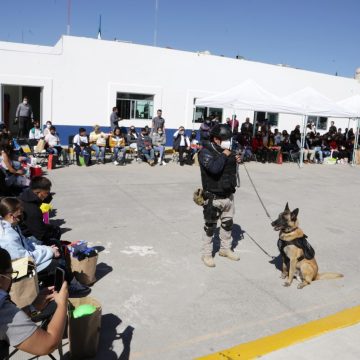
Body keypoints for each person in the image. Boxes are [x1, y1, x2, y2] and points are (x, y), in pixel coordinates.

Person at [0, 247, 68, 357]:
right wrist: (62, 304)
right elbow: (48, 345)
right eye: (10, 274)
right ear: (1, 278)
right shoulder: (4, 310)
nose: (11, 279)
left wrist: (33, 307)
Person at [198, 124, 241, 267]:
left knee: (228, 225)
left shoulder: (226, 151)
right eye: (225, 139)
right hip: (213, 197)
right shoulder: (205, 152)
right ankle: (207, 254)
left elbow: (230, 166)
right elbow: (215, 169)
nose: (228, 142)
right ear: (216, 139)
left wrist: (237, 159)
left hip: (228, 196)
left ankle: (225, 249)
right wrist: (225, 155)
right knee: (210, 227)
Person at [0, 197, 58, 273]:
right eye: (20, 215)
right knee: (58, 265)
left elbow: (27, 244)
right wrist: (50, 252)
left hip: (27, 262)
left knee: (56, 246)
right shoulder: (8, 237)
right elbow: (25, 259)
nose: (22, 217)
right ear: (11, 216)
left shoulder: (13, 226)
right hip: (20, 269)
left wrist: (46, 248)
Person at [19, 177, 62, 245]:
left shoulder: (27, 194)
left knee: (52, 228)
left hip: (30, 227)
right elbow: (40, 235)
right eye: (46, 193)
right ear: (38, 192)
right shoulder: (32, 210)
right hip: (27, 236)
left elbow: (44, 206)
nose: (48, 195)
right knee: (56, 231)